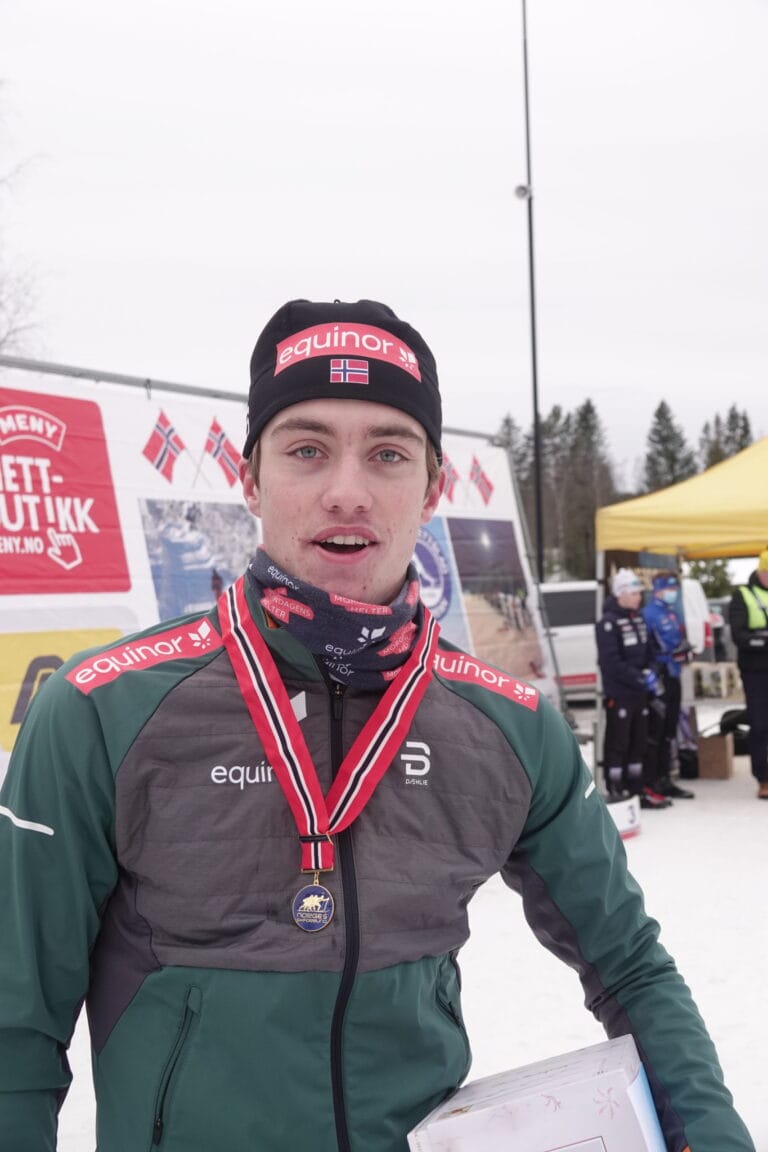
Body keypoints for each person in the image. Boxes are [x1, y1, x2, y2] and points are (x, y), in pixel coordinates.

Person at [0, 299, 754, 1152]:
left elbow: (631, 966)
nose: (347, 492)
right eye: (308, 450)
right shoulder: (103, 709)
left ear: (432, 487)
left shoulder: (508, 726)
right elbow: (17, 1028)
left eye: (388, 453)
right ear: (250, 479)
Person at [595, 567, 670, 809]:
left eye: (639, 592)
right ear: (621, 594)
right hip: (620, 693)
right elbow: (611, 663)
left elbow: (649, 651)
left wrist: (650, 672)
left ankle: (637, 787)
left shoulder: (637, 618)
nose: (639, 597)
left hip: (640, 694)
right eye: (635, 593)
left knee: (639, 741)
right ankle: (616, 786)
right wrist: (639, 677)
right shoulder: (608, 623)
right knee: (619, 742)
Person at [642, 571, 696, 800]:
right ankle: (652, 780)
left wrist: (685, 652)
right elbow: (647, 651)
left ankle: (665, 778)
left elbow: (675, 643)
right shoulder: (649, 614)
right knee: (657, 731)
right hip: (659, 679)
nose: (673, 593)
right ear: (658, 589)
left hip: (674, 675)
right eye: (669, 589)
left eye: (675, 589)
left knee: (669, 731)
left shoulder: (671, 613)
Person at [728, 546, 768, 799]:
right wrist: (764, 640)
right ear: (760, 571)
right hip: (756, 671)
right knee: (761, 724)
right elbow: (739, 636)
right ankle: (763, 778)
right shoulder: (743, 594)